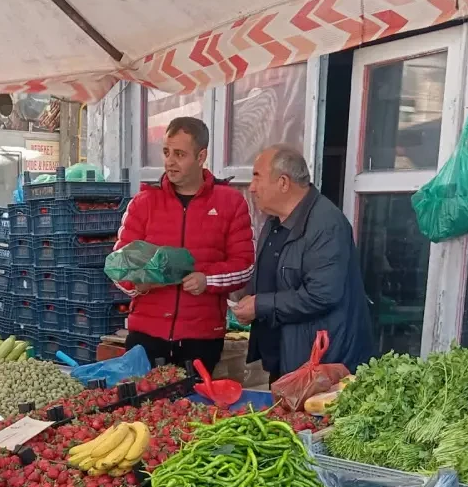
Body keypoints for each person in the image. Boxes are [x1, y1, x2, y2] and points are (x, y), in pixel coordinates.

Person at [112, 117, 254, 373]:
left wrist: (206, 280)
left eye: (180, 154)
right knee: (140, 399)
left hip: (201, 339)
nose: (170, 161)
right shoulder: (143, 203)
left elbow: (244, 266)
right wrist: (139, 284)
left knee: (193, 399)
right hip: (146, 336)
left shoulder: (231, 203)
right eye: (166, 152)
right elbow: (118, 265)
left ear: (201, 157)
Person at [233, 144, 372, 379]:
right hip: (285, 355)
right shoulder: (275, 222)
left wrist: (261, 305)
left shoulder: (326, 225)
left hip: (320, 362)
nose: (252, 187)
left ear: (283, 183)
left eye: (257, 177)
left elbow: (322, 294)